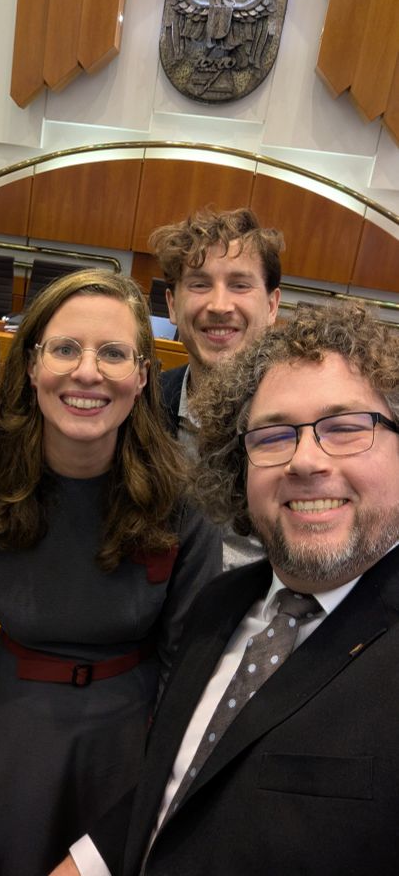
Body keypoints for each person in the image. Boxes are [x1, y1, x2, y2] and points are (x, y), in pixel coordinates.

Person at [52, 300, 399, 876]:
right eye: (273, 434)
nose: (304, 460)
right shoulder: (220, 603)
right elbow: (182, 787)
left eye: (345, 428)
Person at [0, 269, 222, 876]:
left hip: (131, 748)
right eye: (65, 348)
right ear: (31, 367)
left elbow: (188, 671)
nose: (87, 372)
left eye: (113, 353)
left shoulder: (184, 501)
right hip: (9, 741)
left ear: (142, 375)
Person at [148, 207, 284, 570]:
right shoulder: (140, 405)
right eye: (199, 284)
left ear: (272, 306)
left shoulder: (305, 422)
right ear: (173, 305)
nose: (219, 305)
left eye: (240, 284)